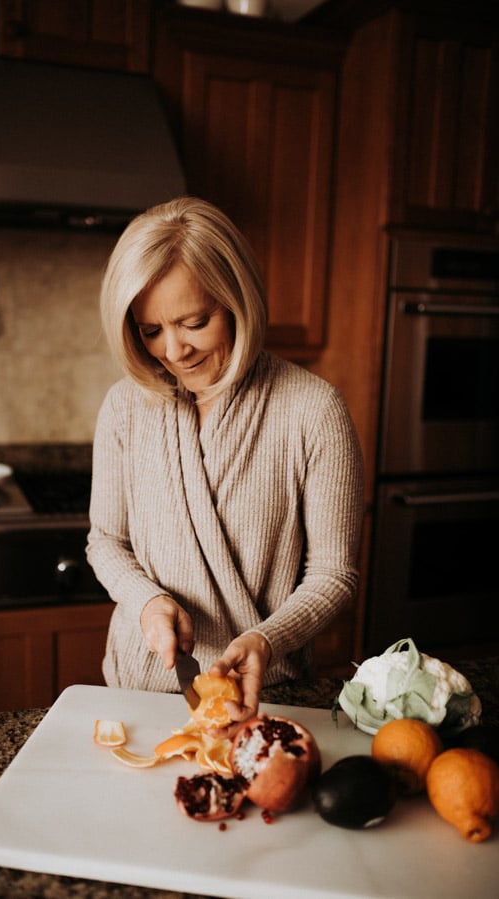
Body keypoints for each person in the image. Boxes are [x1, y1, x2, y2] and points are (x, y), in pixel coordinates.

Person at [86, 196, 364, 727]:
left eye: (194, 322)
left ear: (238, 300)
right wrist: (146, 602)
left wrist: (267, 638)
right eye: (150, 330)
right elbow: (106, 541)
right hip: (136, 691)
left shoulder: (313, 410)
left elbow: (334, 574)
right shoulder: (125, 406)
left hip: (269, 694)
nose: (174, 350)